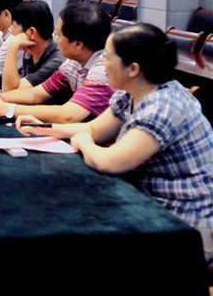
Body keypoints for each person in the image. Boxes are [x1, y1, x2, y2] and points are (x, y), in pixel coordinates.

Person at [17, 23, 213, 265]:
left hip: (184, 224)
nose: (103, 62)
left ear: (133, 69)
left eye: (108, 57)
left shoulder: (162, 107)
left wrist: (85, 143)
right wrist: (44, 127)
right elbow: (93, 129)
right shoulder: (131, 91)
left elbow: (109, 161)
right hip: (149, 205)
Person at [0, 2, 114, 123]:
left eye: (58, 35)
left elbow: (68, 115)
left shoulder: (103, 70)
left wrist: (7, 109)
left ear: (77, 44)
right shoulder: (73, 62)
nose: (55, 39)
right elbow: (36, 94)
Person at [0, 0, 64, 92]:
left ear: (31, 32)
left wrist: (13, 45)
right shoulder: (29, 53)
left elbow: (9, 92)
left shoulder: (55, 63)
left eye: (13, 27)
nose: (12, 33)